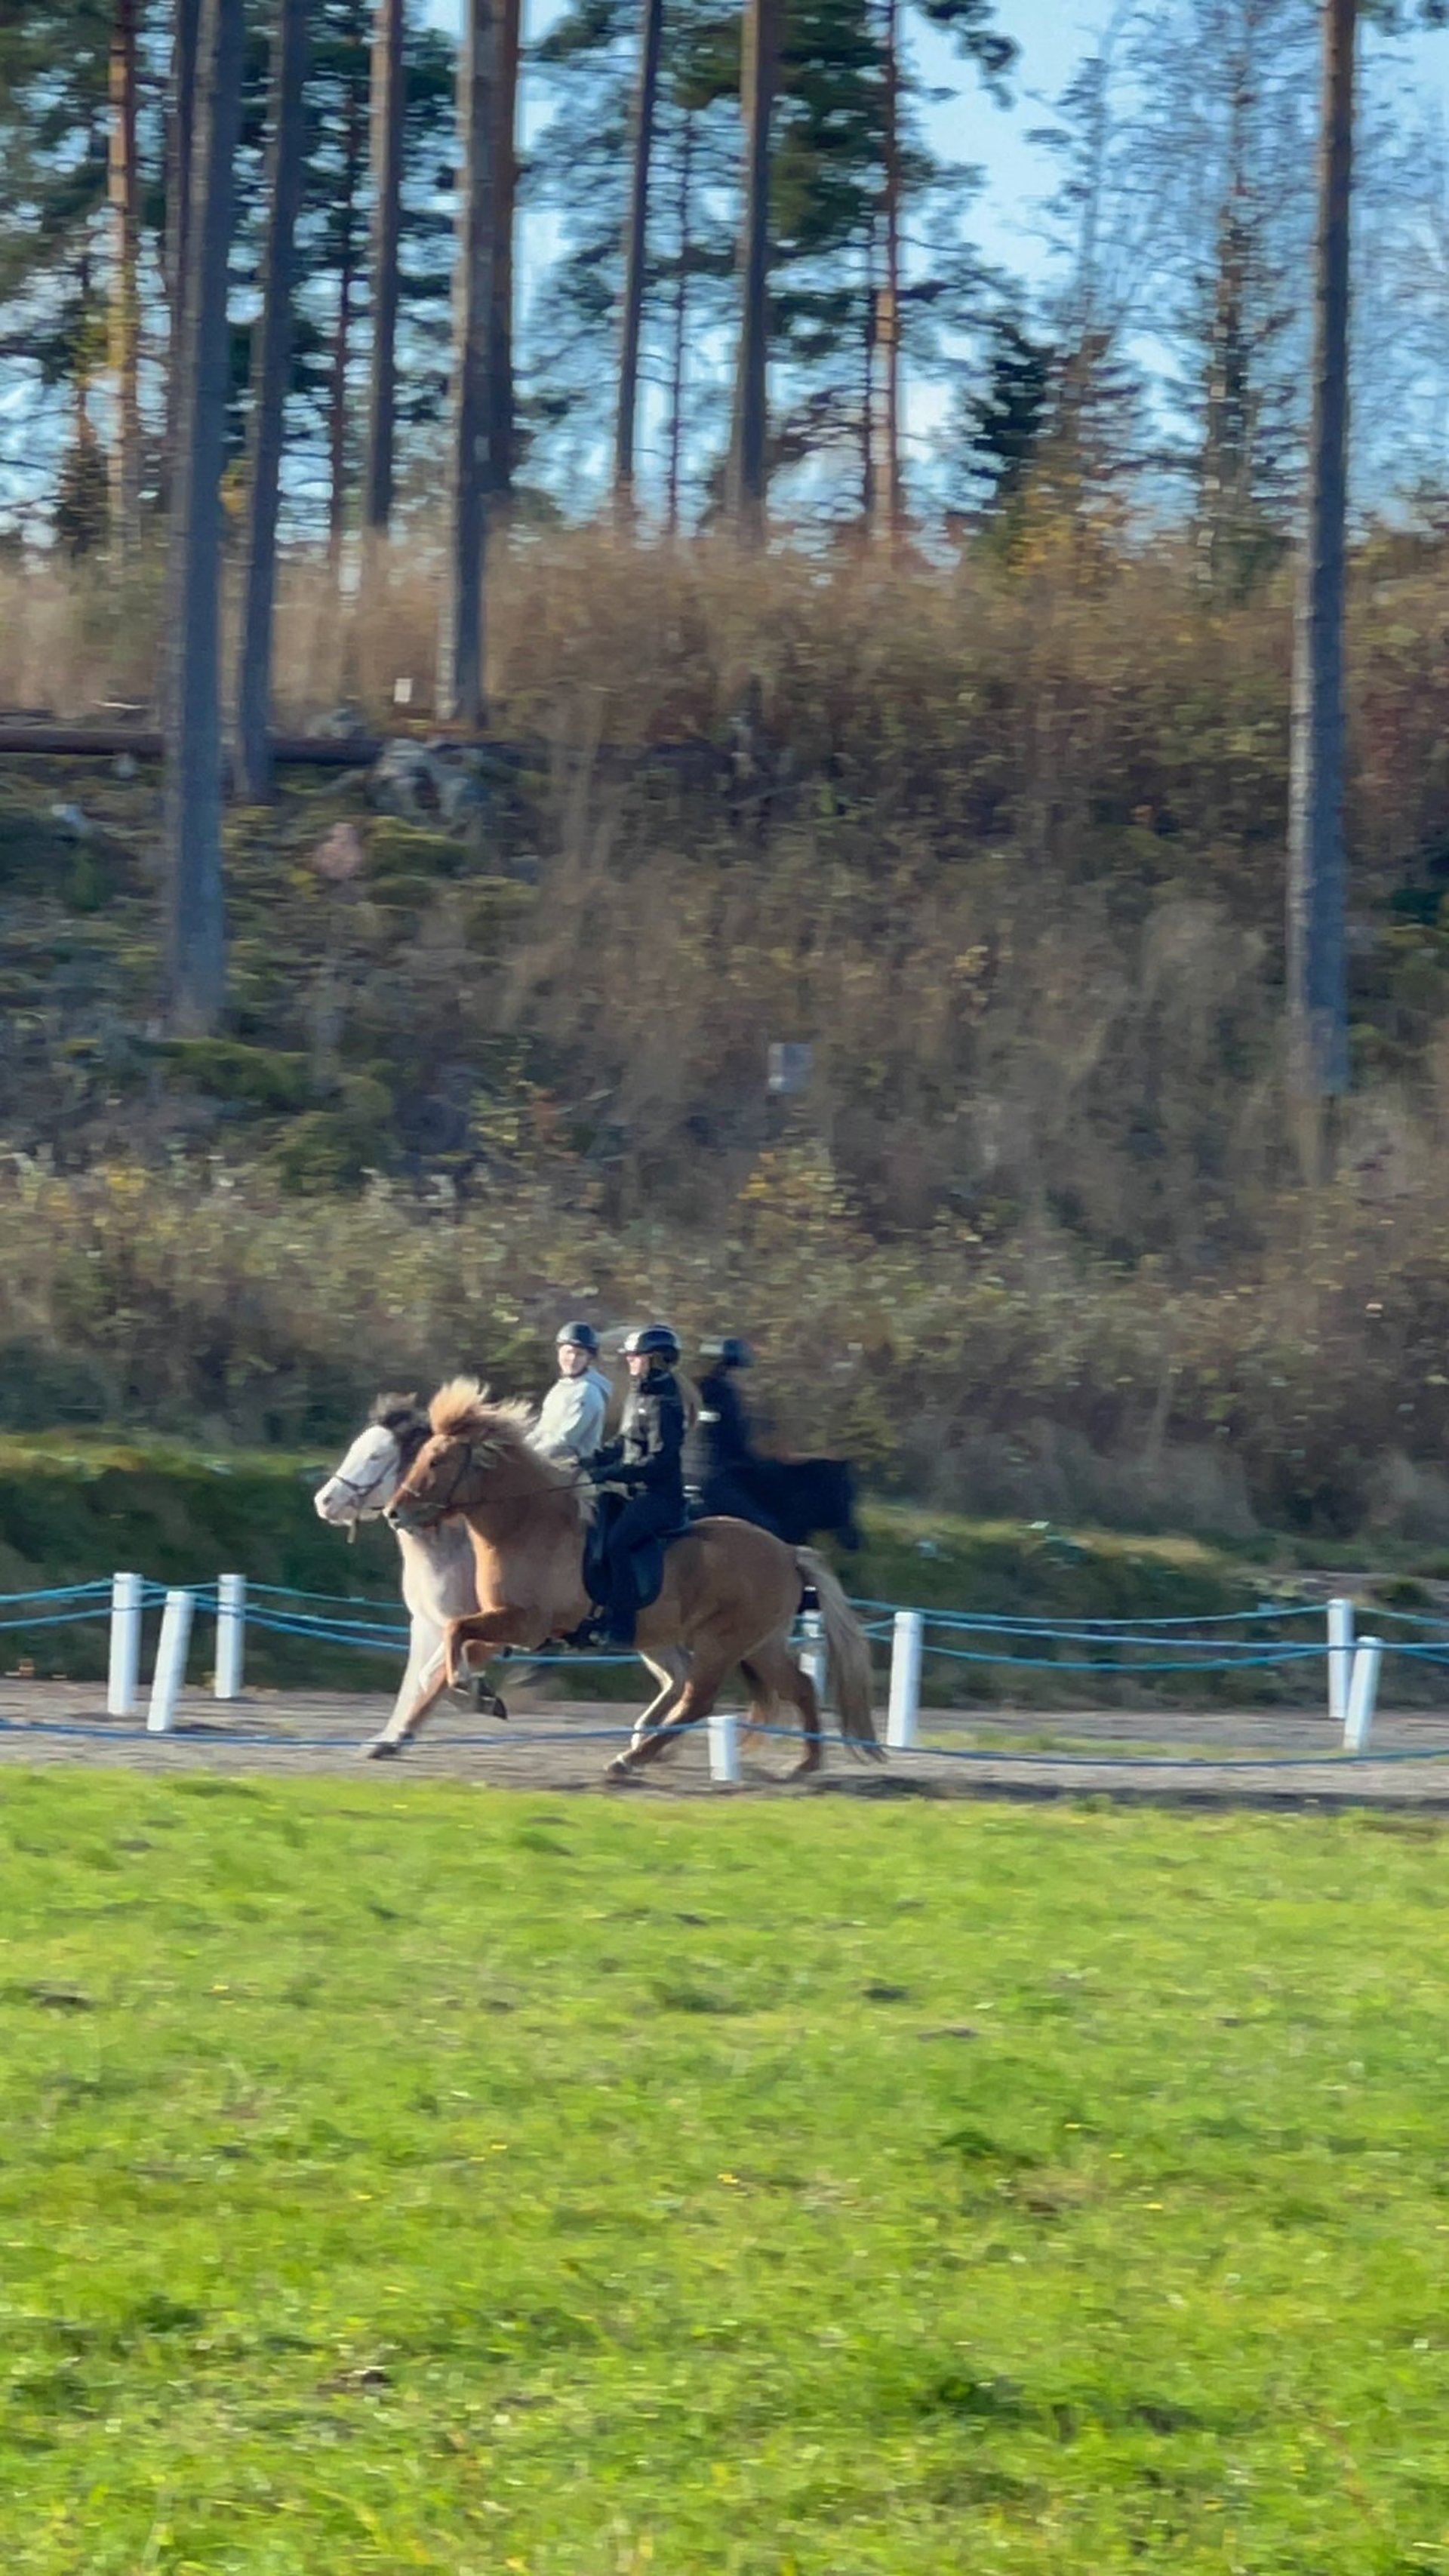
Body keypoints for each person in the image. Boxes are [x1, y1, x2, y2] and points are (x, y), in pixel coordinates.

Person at [586, 1324, 687, 1645]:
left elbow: (660, 1461)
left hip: (658, 1498)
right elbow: (624, 1441)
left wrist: (614, 1472)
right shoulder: (638, 1394)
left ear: (656, 1360)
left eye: (635, 1356)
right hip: (632, 1491)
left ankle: (622, 1623)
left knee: (617, 1542)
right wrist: (594, 1460)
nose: (629, 1361)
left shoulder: (666, 1404)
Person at [688, 1335, 783, 1536]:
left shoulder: (700, 1390)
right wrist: (756, 1465)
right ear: (730, 1367)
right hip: (713, 1478)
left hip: (708, 1473)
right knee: (767, 1530)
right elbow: (730, 1443)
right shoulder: (721, 1394)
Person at [533, 1323, 611, 1469]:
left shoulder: (587, 1392)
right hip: (549, 1464)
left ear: (589, 1358)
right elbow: (540, 1431)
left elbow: (566, 1440)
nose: (573, 1359)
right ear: (559, 1352)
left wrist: (528, 1458)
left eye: (580, 1354)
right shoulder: (561, 1388)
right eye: (568, 1352)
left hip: (574, 1470)